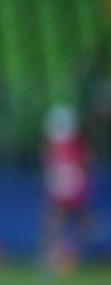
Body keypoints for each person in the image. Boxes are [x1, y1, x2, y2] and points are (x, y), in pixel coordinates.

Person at [40, 103, 92, 273]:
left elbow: (80, 168)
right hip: (65, 189)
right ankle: (58, 257)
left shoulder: (70, 146)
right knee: (58, 222)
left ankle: (62, 256)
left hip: (69, 189)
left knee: (62, 222)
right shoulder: (62, 146)